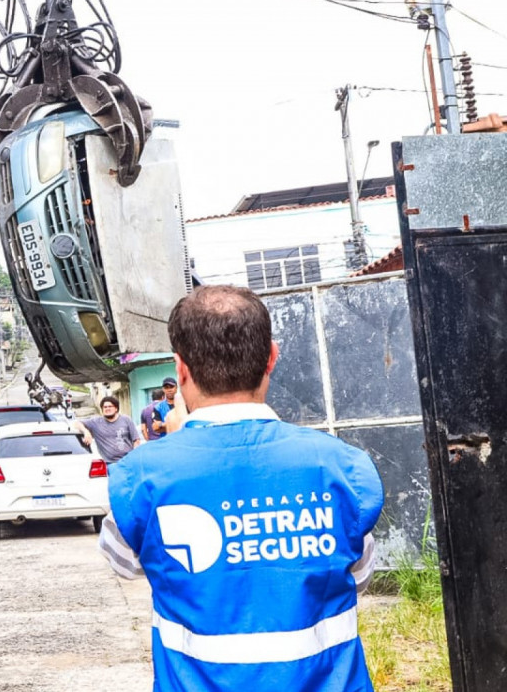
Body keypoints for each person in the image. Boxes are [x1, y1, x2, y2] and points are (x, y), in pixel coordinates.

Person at [98, 285, 383, 691]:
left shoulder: (141, 476)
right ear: (271, 356)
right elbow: (359, 574)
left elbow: (123, 563)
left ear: (180, 370)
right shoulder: (340, 466)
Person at [77, 396, 141, 464]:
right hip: (109, 464)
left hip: (128, 461)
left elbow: (136, 440)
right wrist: (86, 432)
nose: (107, 408)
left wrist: (133, 457)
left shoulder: (126, 420)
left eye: (110, 406)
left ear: (116, 408)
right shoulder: (96, 422)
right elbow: (77, 423)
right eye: (105, 407)